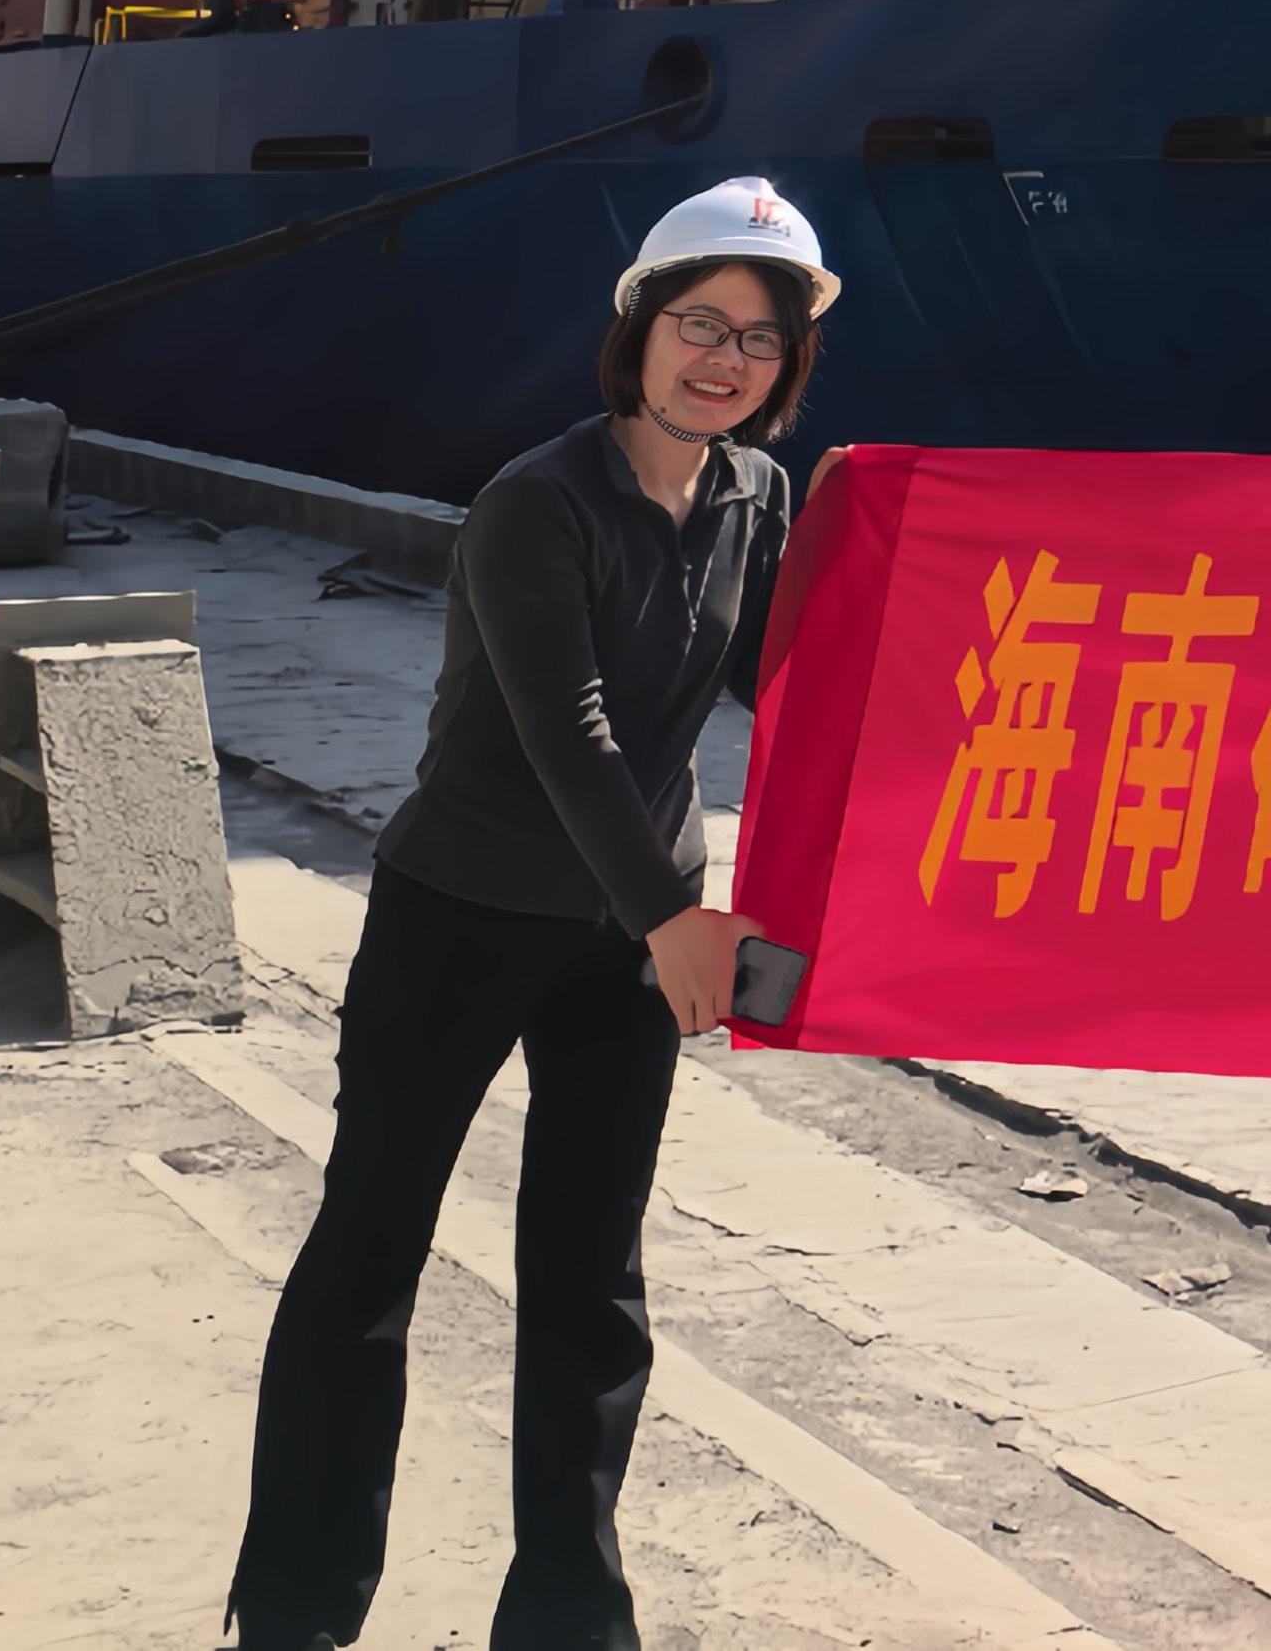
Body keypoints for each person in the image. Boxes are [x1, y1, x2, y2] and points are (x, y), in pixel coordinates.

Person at [224, 177, 837, 1651]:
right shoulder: (535, 501)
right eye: (702, 324)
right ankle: (297, 1610)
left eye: (760, 338)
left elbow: (794, 681)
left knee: (590, 1274)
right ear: (640, 329)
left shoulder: (754, 497)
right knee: (371, 1245)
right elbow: (571, 729)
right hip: (464, 910)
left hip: (632, 936)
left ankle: (570, 1615)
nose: (727, 359)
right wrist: (673, 918)